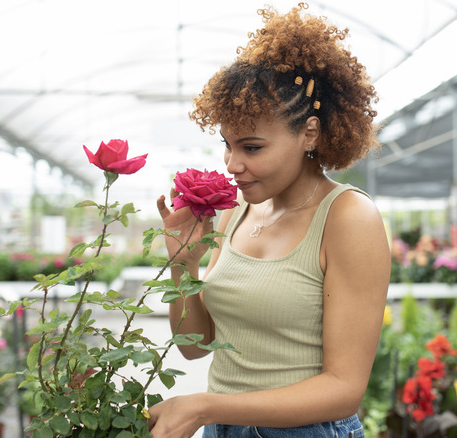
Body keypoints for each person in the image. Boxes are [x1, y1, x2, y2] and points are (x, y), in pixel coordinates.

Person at [151, 3, 390, 437]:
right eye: (227, 144)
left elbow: (344, 389)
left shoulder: (349, 218)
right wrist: (182, 266)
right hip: (225, 427)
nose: (231, 164)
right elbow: (196, 346)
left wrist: (206, 406)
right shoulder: (238, 212)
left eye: (252, 147)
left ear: (310, 134)